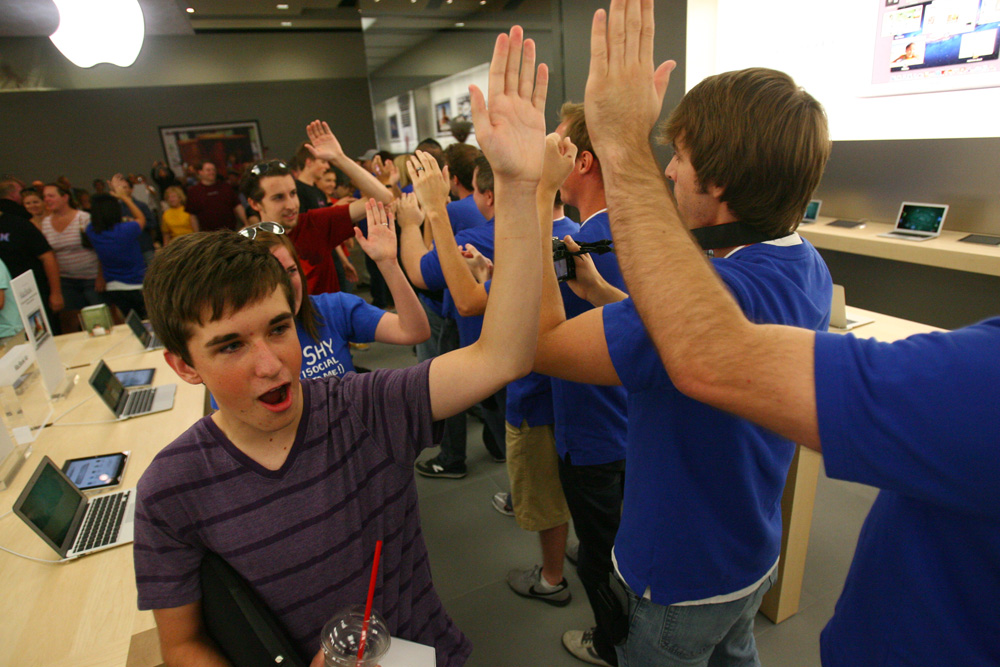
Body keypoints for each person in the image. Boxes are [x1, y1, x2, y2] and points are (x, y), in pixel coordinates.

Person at [582, 2, 999, 666]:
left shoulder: (710, 302)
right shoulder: (806, 263)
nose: (667, 170)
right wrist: (608, 291)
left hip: (676, 575)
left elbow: (551, 345)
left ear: (717, 183)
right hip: (749, 554)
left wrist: (544, 178)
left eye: (679, 158)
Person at [134, 25, 548, 667]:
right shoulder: (171, 491)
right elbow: (182, 643)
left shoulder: (363, 406)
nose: (272, 363)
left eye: (278, 327)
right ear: (184, 367)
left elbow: (503, 355)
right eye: (230, 346)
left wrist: (522, 191)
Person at [406, 148, 579, 609]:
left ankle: (551, 577)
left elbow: (464, 300)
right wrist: (493, 277)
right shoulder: (584, 235)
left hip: (535, 397)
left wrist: (432, 212)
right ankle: (577, 555)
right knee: (580, 486)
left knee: (542, 495)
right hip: (584, 400)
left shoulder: (518, 243)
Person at [400, 156, 508, 475]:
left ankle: (453, 457)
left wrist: (412, 222)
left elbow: (422, 274)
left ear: (488, 195)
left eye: (475, 190)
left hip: (483, 344)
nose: (472, 199)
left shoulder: (474, 236)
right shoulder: (556, 230)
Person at [251, 216, 429, 381]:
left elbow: (414, 331)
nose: (287, 286)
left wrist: (388, 264)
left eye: (291, 271)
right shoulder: (240, 344)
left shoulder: (331, 309)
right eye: (273, 277)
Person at [240, 120, 394, 296]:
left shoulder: (314, 224)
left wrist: (339, 158)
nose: (291, 205)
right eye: (278, 198)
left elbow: (383, 198)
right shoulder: (249, 248)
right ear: (254, 204)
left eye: (293, 193)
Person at [84, 175, 148, 319]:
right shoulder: (127, 229)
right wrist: (124, 197)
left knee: (132, 323)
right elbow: (141, 218)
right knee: (148, 321)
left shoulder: (92, 231)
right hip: (136, 284)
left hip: (113, 286)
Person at [41, 182, 100, 332]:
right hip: (66, 280)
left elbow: (101, 248)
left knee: (99, 319)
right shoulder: (46, 223)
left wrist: (101, 276)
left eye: (51, 195)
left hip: (91, 278)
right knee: (69, 322)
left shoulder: (84, 218)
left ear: (65, 197)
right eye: (45, 196)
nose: (47, 199)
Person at [185, 161, 247, 232]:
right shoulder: (194, 191)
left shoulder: (225, 187)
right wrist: (196, 233)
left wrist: (246, 223)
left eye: (213, 170)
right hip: (208, 235)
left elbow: (237, 206)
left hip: (230, 231)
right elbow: (193, 216)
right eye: (208, 170)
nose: (212, 172)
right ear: (200, 172)